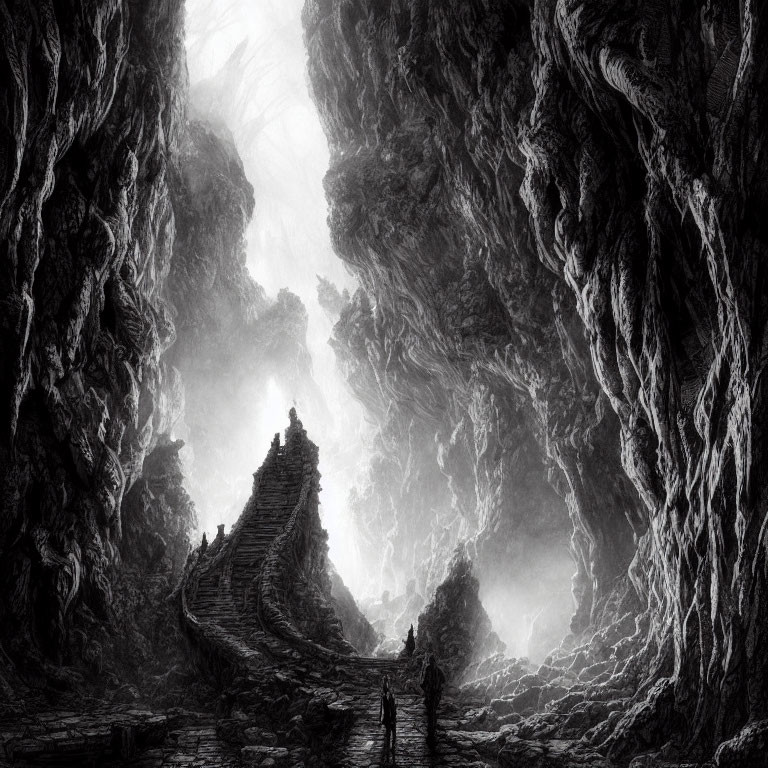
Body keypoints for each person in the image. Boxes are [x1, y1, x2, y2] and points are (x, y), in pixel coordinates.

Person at [420, 654, 445, 742]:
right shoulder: (433, 669)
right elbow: (426, 680)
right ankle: (431, 731)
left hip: (434, 694)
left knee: (431, 712)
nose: (431, 663)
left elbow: (443, 680)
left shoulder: (436, 670)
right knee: (431, 712)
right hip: (431, 694)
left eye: (432, 661)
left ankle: (431, 731)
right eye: (430, 662)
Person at [379, 676, 397, 763]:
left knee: (392, 732)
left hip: (391, 716)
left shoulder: (390, 692)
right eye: (385, 681)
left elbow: (393, 706)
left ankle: (392, 747)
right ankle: (388, 748)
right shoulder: (384, 694)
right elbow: (382, 708)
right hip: (388, 716)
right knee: (389, 732)